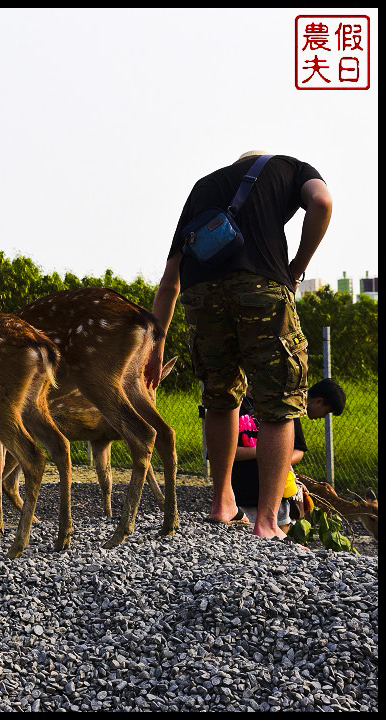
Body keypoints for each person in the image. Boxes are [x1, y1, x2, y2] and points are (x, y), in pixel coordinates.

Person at [146, 150, 333, 541]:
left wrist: (155, 345)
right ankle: (267, 521)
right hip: (261, 286)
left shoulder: (204, 186)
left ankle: (222, 505)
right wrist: (297, 266)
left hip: (202, 295)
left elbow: (170, 280)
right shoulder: (289, 167)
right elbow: (321, 201)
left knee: (220, 395)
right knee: (277, 401)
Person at [229, 395, 307, 528]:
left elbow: (298, 450)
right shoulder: (233, 404)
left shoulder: (284, 403)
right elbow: (224, 452)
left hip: (278, 495)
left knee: (278, 537)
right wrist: (266, 453)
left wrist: (280, 460)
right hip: (242, 494)